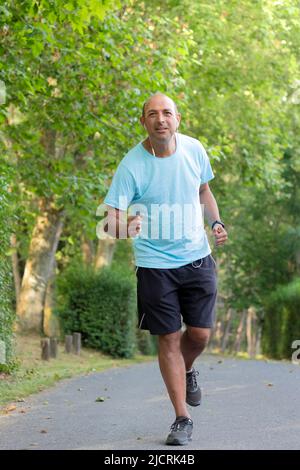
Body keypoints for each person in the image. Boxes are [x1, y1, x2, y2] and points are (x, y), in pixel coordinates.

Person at [103, 92, 228, 445]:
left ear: (177, 119)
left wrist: (216, 222)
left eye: (167, 113)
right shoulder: (131, 165)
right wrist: (124, 227)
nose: (161, 119)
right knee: (169, 339)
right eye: (153, 113)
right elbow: (110, 219)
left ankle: (188, 369)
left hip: (197, 258)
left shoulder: (194, 150)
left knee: (200, 335)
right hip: (155, 266)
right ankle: (181, 419)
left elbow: (204, 190)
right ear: (143, 121)